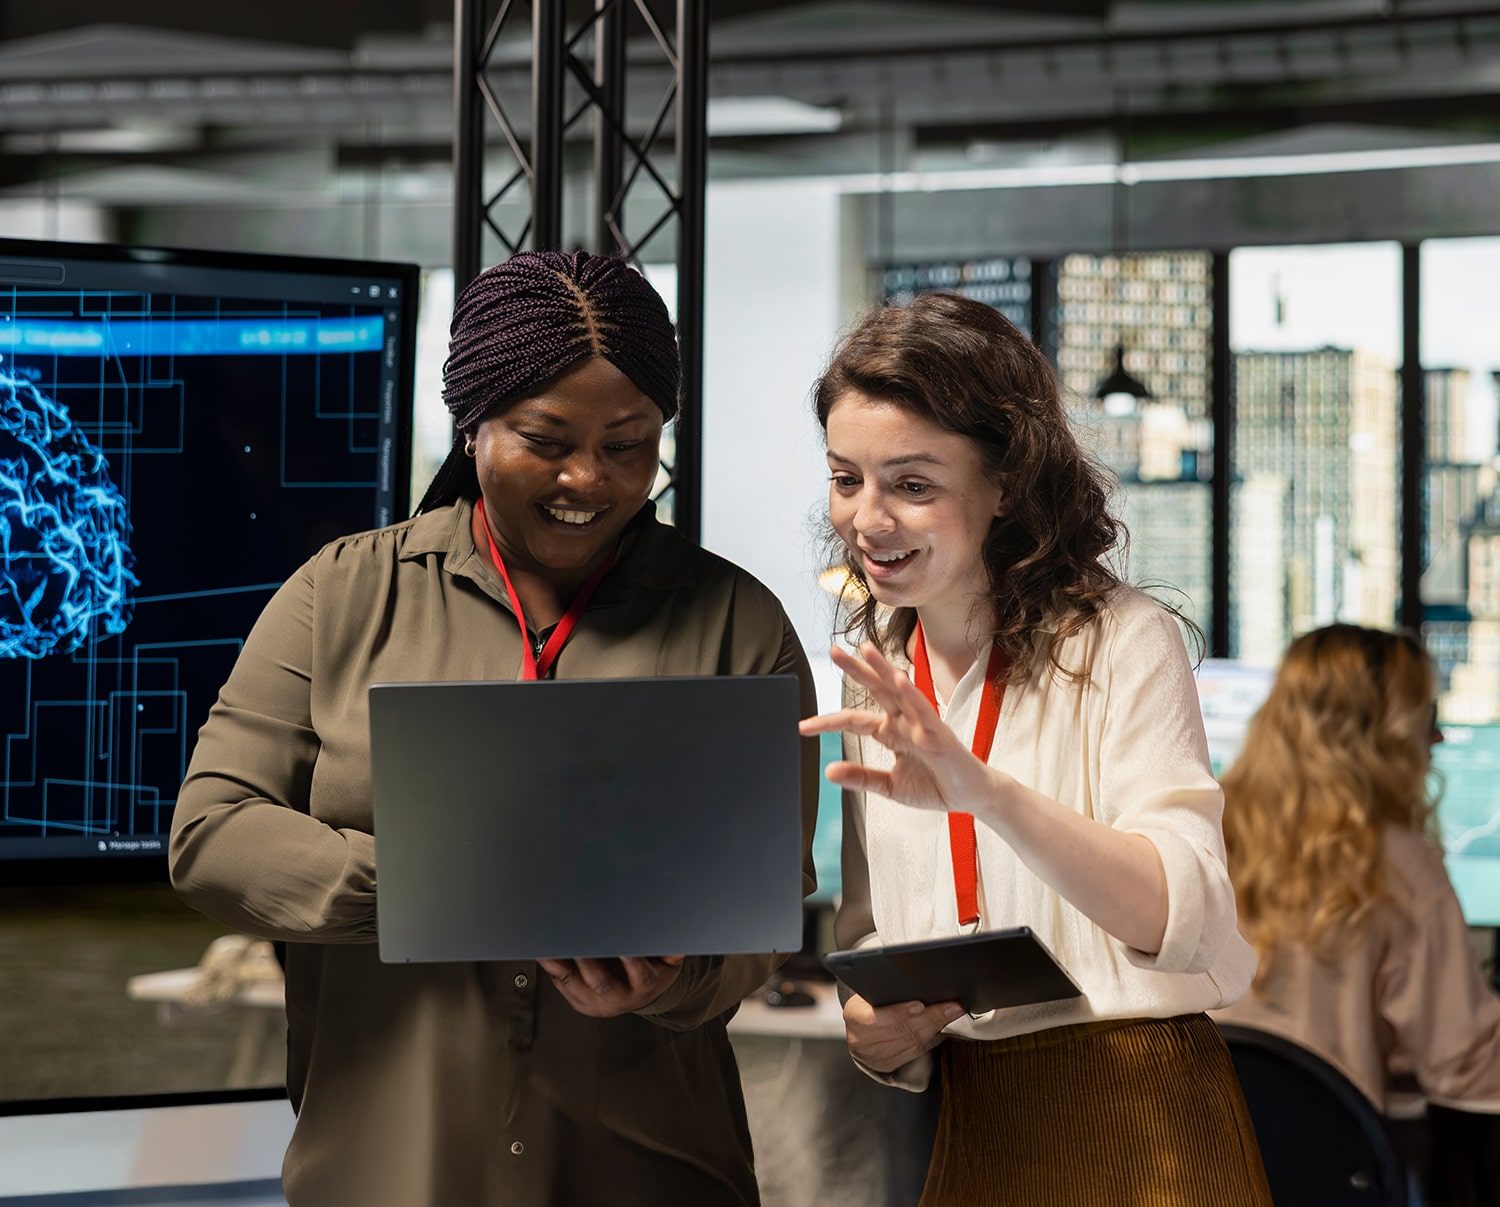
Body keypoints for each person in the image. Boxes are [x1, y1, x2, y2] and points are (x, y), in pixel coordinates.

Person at [169, 250, 818, 1207]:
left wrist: (672, 978)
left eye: (630, 443)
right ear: (471, 424)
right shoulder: (339, 596)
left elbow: (770, 900)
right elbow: (211, 831)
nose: (588, 478)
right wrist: (439, 883)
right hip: (386, 1168)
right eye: (544, 437)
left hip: (649, 1174)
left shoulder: (737, 622)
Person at [798, 291, 1271, 1205]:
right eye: (845, 477)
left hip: (1144, 1113)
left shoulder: (1122, 640)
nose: (867, 518)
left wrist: (989, 794)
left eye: (913, 483)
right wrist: (877, 1034)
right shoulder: (881, 668)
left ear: (1007, 483)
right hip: (979, 1117)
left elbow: (1185, 915)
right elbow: (872, 936)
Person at [1214, 624, 1500, 1115]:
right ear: (1382, 735)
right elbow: (1463, 1066)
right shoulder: (1397, 864)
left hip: (1196, 1156)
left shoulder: (1202, 834)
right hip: (1335, 1169)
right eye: (1425, 716)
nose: (1438, 736)